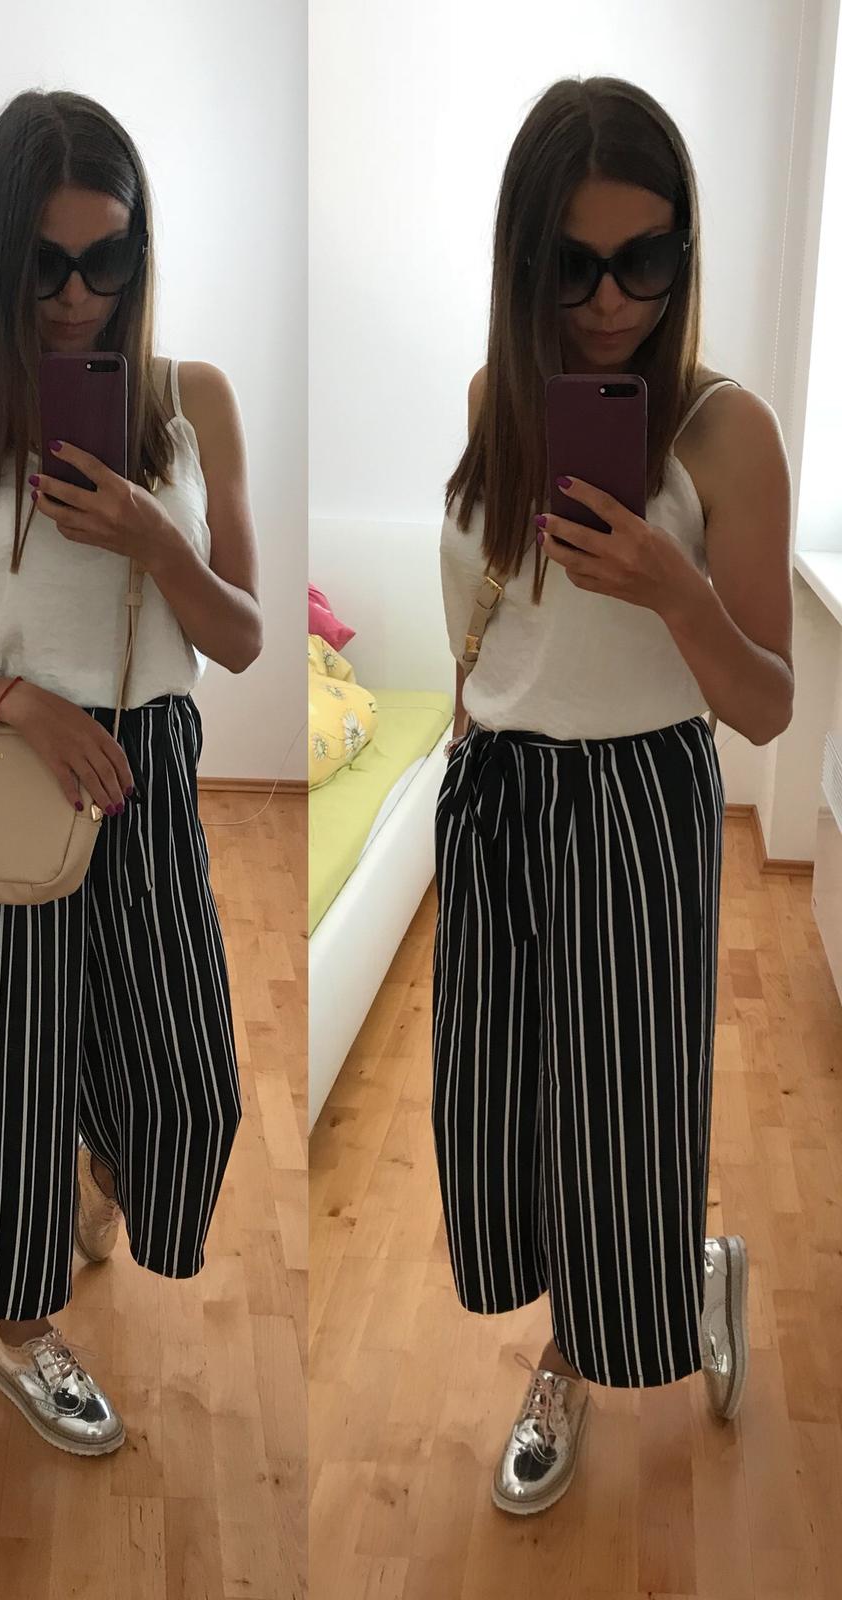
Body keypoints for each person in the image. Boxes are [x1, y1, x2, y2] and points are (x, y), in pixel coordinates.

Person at [0, 89, 262, 1454]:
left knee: (195, 1080)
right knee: (3, 1077)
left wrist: (154, 538)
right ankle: (21, 1336)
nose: (80, 294)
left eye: (109, 258)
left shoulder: (190, 405)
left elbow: (242, 638)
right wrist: (16, 699)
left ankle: (94, 1173)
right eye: (46, 263)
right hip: (6, 763)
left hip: (150, 761)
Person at [434, 76, 793, 1514]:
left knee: (623, 1112)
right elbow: (498, 619)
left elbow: (766, 701)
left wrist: (671, 584)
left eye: (645, 261)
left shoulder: (724, 432)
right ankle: (625, 1297)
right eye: (571, 265)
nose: (608, 302)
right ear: (521, 257)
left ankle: (586, 1349)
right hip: (497, 784)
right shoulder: (495, 402)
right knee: (504, 1105)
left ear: (683, 252)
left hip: (640, 793)